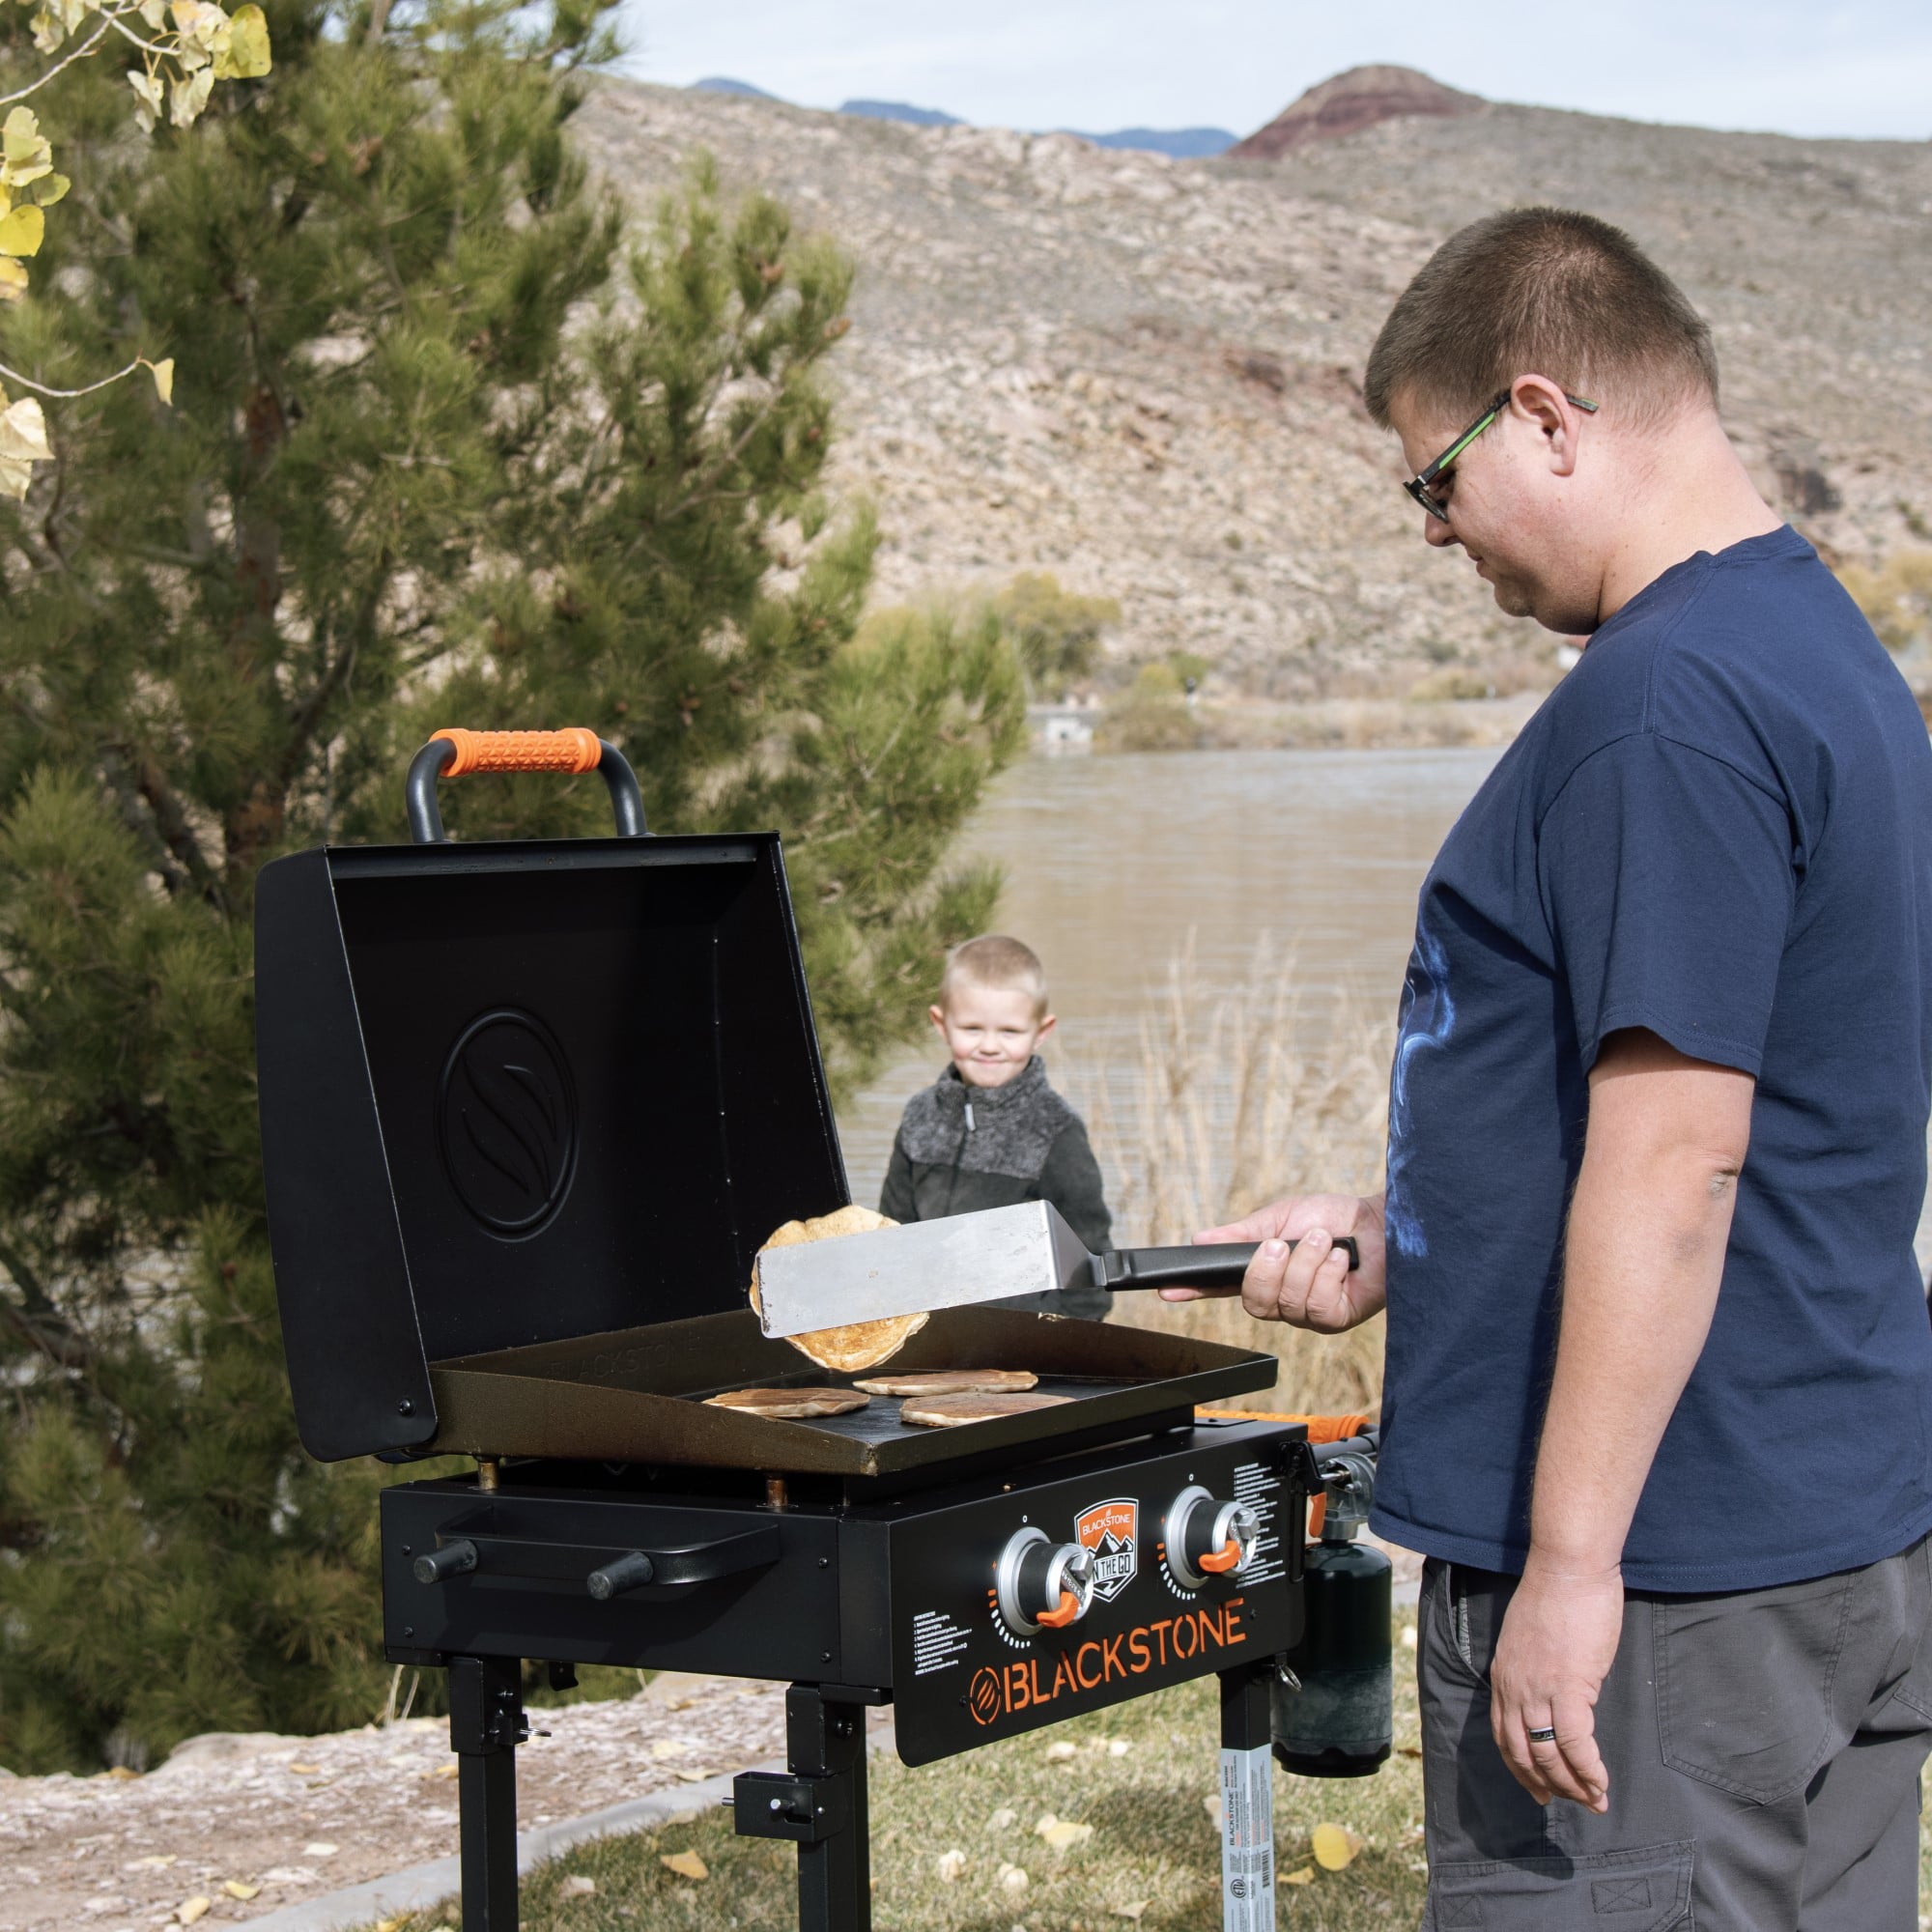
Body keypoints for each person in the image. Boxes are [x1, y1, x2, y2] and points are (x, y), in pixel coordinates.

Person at [1174, 208, 1932, 1927]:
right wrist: (1419, 1233)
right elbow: (1766, 1088)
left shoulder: (1662, 705)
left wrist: (1575, 1565)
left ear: (1544, 413)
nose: (1435, 533)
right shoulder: (1822, 654)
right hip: (1834, 1537)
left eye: (1430, 480)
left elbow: (1680, 1169)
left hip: (1672, 1590)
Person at [880, 934, 1113, 1319]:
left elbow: (1090, 1262)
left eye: (1010, 1031)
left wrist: (1063, 1350)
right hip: (925, 1336)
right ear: (941, 1024)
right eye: (972, 1028)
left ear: (1041, 1031)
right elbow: (891, 1232)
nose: (990, 1046)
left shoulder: (1056, 1131)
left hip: (1025, 1346)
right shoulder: (920, 1116)